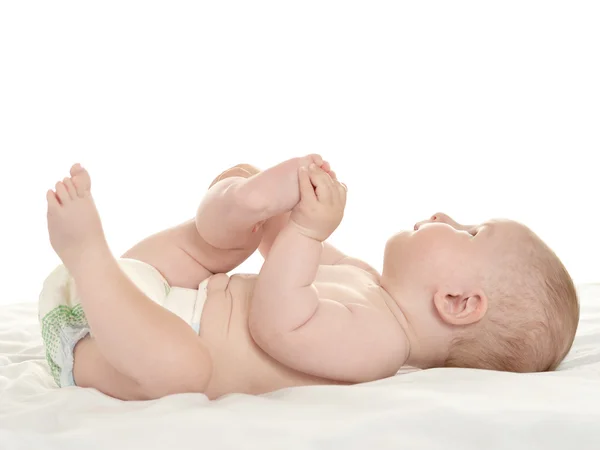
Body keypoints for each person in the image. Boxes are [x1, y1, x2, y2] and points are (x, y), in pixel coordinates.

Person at [39, 155, 579, 401]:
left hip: (114, 346)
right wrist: (274, 209)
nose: (443, 215)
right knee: (231, 238)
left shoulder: (380, 346)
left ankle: (87, 255)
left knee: (184, 369)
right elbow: (283, 251)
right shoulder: (364, 279)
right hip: (151, 292)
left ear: (458, 301)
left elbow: (278, 322)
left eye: (467, 232)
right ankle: (230, 201)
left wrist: (305, 232)